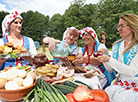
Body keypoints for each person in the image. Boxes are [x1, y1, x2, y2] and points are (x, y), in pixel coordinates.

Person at [98, 14, 138, 102]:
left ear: (132, 26)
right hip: (120, 83)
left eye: (122, 26)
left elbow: (132, 72)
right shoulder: (116, 45)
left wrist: (109, 60)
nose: (118, 29)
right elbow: (110, 70)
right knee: (106, 94)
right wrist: (105, 60)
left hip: (135, 85)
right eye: (118, 26)